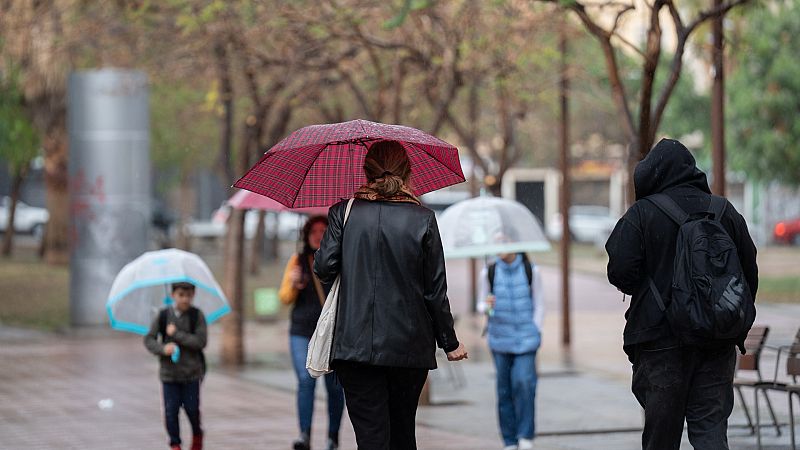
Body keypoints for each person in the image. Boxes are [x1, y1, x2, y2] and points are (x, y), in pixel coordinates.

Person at [314, 139, 468, 450]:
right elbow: (435, 291)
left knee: (371, 439)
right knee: (402, 436)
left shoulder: (344, 212)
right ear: (408, 172)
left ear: (365, 172)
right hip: (408, 348)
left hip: (354, 347)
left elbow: (323, 267)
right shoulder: (422, 218)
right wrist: (449, 342)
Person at [605, 138, 758, 450]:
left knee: (662, 437)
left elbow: (620, 271)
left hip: (660, 344)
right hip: (716, 342)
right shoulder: (724, 211)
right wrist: (721, 315)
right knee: (711, 433)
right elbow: (748, 274)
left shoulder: (642, 213)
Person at [278, 215, 344, 450]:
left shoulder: (340, 259)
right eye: (313, 231)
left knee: (335, 386)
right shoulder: (297, 260)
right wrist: (294, 284)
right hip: (302, 331)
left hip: (333, 333)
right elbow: (284, 298)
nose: (318, 235)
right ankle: (304, 435)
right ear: (306, 235)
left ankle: (332, 438)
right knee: (306, 381)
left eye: (323, 230)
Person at [478, 252, 544, 450]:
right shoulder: (488, 272)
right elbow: (482, 305)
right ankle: (509, 440)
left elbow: (540, 304)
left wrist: (536, 328)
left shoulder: (531, 271)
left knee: (524, 383)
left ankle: (525, 434)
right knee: (504, 389)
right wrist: (487, 307)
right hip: (499, 340)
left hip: (526, 339)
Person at [144, 281, 207, 450]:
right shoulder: (163, 316)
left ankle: (197, 434)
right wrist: (163, 348)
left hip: (191, 373)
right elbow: (149, 339)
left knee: (192, 409)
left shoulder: (196, 316)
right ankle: (175, 443)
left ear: (193, 295)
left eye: (188, 295)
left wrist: (177, 334)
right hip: (169, 374)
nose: (185, 299)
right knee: (171, 412)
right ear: (173, 295)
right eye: (181, 295)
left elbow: (200, 342)